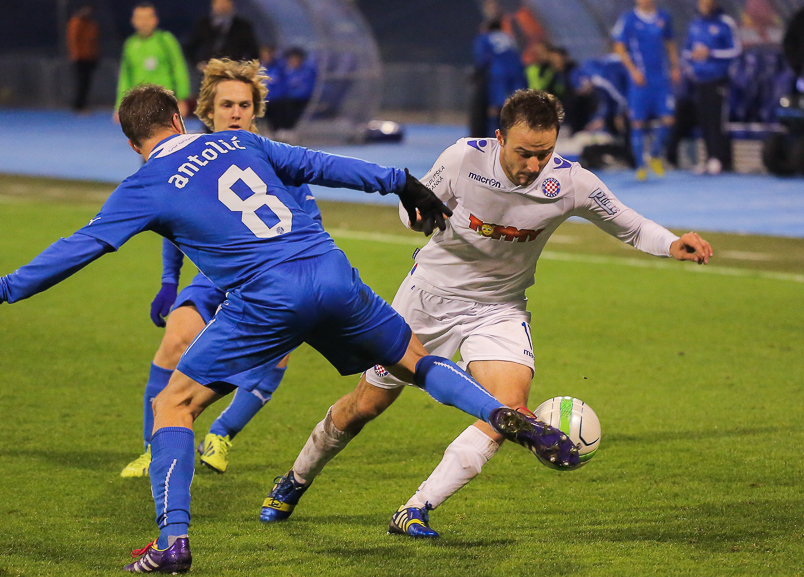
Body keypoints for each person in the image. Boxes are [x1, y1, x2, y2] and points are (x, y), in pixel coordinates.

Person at [0, 84, 580, 573]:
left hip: (266, 299)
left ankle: (172, 541)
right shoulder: (236, 140)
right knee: (417, 362)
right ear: (182, 119)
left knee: (173, 403)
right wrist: (398, 181)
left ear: (135, 142)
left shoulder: (143, 183)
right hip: (330, 272)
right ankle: (505, 415)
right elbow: (318, 164)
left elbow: (79, 249)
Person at [260, 89, 712, 538]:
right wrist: (418, 219)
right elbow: (410, 210)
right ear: (499, 139)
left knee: (508, 409)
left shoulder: (572, 183)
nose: (534, 165)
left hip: (499, 309)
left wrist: (672, 244)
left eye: (545, 154)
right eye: (524, 153)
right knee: (365, 405)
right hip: (427, 300)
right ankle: (296, 479)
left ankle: (417, 507)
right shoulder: (462, 159)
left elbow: (630, 226)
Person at [119, 57, 323, 479]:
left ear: (255, 111)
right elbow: (173, 225)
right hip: (213, 277)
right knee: (176, 340)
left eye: (244, 105)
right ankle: (153, 448)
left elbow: (311, 229)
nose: (236, 113)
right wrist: (168, 281)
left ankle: (223, 432)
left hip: (273, 277)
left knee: (280, 351)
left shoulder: (278, 160)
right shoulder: (185, 158)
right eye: (227, 104)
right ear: (207, 112)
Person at [612, 0, 681, 181]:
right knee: (637, 122)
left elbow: (670, 42)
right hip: (640, 81)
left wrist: (674, 66)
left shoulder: (663, 16)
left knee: (668, 120)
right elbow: (619, 47)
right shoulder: (628, 19)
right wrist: (633, 71)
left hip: (661, 79)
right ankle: (640, 166)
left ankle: (655, 156)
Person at [683, 0, 741, 175]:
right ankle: (708, 158)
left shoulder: (725, 23)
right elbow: (686, 51)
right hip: (699, 80)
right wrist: (693, 56)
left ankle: (719, 158)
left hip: (718, 79)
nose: (704, 3)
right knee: (704, 120)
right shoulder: (695, 24)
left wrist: (711, 53)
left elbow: (735, 50)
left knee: (717, 119)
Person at [114, 3, 189, 123]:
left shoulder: (166, 40)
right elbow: (125, 77)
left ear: (155, 20)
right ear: (133, 21)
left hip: (165, 101)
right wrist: (120, 104)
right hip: (138, 103)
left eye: (148, 18)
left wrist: (182, 98)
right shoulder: (130, 44)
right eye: (140, 18)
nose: (144, 22)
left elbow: (179, 68)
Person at [473, 20, 526, 137]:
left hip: (499, 72)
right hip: (517, 70)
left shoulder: (484, 37)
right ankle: (518, 134)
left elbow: (482, 59)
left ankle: (495, 138)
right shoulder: (509, 37)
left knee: (496, 107)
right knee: (517, 104)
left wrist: (478, 74)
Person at [183, 0, 259, 67]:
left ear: (231, 4)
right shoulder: (203, 24)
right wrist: (197, 64)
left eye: (225, 2)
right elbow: (188, 48)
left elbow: (253, 52)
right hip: (208, 70)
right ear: (213, 5)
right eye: (218, 3)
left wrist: (242, 67)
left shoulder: (243, 26)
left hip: (233, 72)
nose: (222, 6)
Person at [67, 5, 100, 113]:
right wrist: (75, 55)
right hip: (80, 58)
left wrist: (95, 55)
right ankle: (78, 105)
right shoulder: (76, 22)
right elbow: (73, 40)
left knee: (86, 83)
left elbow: (95, 41)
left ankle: (83, 104)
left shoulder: (91, 24)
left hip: (90, 57)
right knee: (80, 82)